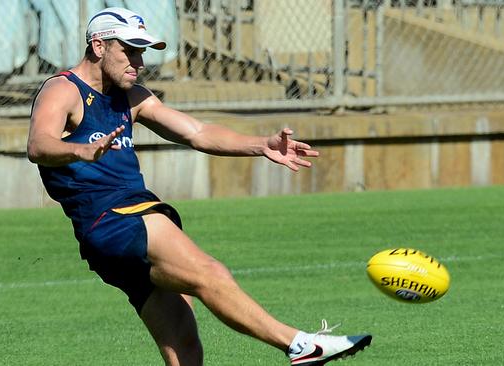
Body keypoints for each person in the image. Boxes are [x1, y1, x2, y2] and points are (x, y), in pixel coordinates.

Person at [27, 7, 371, 365]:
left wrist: (260, 145)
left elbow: (198, 132)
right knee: (211, 273)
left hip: (115, 232)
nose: (139, 62)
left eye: (142, 52)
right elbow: (38, 145)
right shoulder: (63, 89)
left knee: (185, 349)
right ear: (99, 46)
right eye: (130, 50)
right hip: (115, 218)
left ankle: (298, 347)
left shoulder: (132, 97)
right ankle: (299, 344)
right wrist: (80, 151)